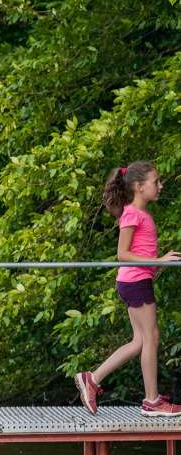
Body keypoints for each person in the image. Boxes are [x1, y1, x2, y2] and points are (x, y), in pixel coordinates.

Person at [75, 161, 181, 417]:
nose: (160, 185)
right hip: (135, 282)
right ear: (139, 186)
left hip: (134, 281)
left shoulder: (139, 213)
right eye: (156, 181)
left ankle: (92, 378)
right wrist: (158, 261)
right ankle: (152, 401)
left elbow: (141, 254)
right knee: (151, 337)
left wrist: (160, 261)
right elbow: (122, 254)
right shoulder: (132, 213)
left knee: (140, 341)